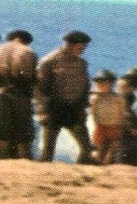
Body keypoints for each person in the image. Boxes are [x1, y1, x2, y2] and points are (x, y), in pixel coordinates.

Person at [37, 30, 95, 164]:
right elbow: (40, 88)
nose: (83, 51)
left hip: (75, 110)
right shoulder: (49, 61)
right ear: (70, 45)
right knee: (48, 150)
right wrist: (42, 110)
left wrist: (84, 106)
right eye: (81, 47)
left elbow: (86, 86)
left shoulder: (82, 63)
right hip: (54, 109)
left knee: (86, 148)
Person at [0, 29, 38, 160]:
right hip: (20, 95)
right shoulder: (27, 51)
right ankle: (24, 162)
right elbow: (29, 76)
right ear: (26, 41)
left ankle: (1, 160)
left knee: (2, 132)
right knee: (23, 133)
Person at [89, 70, 127, 165]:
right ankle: (99, 165)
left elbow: (122, 113)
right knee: (100, 149)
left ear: (110, 83)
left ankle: (107, 167)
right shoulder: (95, 98)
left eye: (103, 82)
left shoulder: (118, 98)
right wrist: (97, 125)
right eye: (98, 82)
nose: (100, 84)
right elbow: (93, 114)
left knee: (112, 150)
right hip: (101, 126)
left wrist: (121, 126)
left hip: (115, 126)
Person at [117, 71, 137, 166]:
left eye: (121, 87)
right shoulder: (130, 101)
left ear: (130, 88)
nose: (118, 90)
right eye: (118, 87)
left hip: (132, 144)